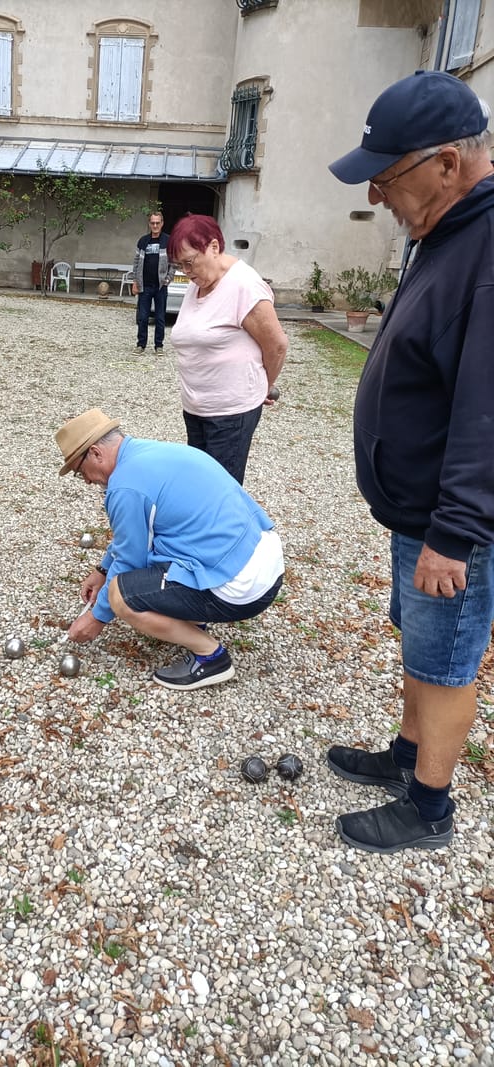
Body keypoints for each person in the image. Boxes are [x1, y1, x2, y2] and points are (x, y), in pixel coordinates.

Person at [326, 70, 494, 853]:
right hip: (417, 510)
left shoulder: (486, 249)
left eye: (387, 177)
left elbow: (486, 410)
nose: (376, 196)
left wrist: (454, 533)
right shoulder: (445, 232)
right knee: (422, 646)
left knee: (447, 661)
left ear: (447, 164)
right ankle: (406, 754)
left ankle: (429, 805)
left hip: (450, 524)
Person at [55, 409, 284, 690]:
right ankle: (192, 617)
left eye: (81, 472)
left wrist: (96, 617)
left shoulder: (125, 488)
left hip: (242, 587)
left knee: (120, 595)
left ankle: (211, 657)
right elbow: (133, 536)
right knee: (147, 566)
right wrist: (102, 570)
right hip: (263, 559)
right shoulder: (150, 453)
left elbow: (130, 560)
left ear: (95, 453)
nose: (87, 481)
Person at [167, 215, 288, 485]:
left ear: (213, 247)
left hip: (230, 413)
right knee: (199, 485)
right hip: (197, 409)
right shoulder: (199, 282)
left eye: (189, 262)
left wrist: (264, 385)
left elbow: (277, 345)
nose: (186, 270)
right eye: (179, 264)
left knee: (219, 492)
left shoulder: (244, 285)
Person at [131, 210, 175, 353]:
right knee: (143, 317)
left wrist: (167, 279)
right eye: (152, 223)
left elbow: (173, 263)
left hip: (160, 287)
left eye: (157, 223)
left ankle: (159, 346)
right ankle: (141, 344)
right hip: (144, 286)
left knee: (160, 318)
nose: (155, 225)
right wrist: (135, 281)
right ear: (149, 224)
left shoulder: (168, 241)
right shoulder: (143, 241)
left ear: (162, 223)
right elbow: (136, 262)